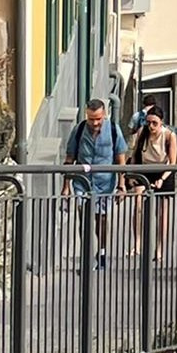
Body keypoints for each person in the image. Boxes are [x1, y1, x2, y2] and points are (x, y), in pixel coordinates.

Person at [61, 99, 128, 270]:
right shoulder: (79, 130)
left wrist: (122, 185)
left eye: (98, 118)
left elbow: (121, 159)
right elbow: (70, 158)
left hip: (105, 182)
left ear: (104, 114)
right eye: (91, 119)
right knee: (84, 218)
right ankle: (85, 255)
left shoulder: (113, 130)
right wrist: (66, 186)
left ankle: (102, 252)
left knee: (102, 219)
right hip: (82, 182)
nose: (95, 123)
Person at [125, 104, 177, 262]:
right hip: (146, 167)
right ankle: (138, 243)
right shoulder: (142, 132)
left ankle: (160, 247)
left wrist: (162, 179)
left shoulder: (169, 135)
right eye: (148, 122)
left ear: (161, 122)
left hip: (164, 169)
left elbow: (173, 162)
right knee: (138, 204)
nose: (151, 126)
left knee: (162, 211)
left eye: (155, 123)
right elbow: (134, 154)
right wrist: (132, 174)